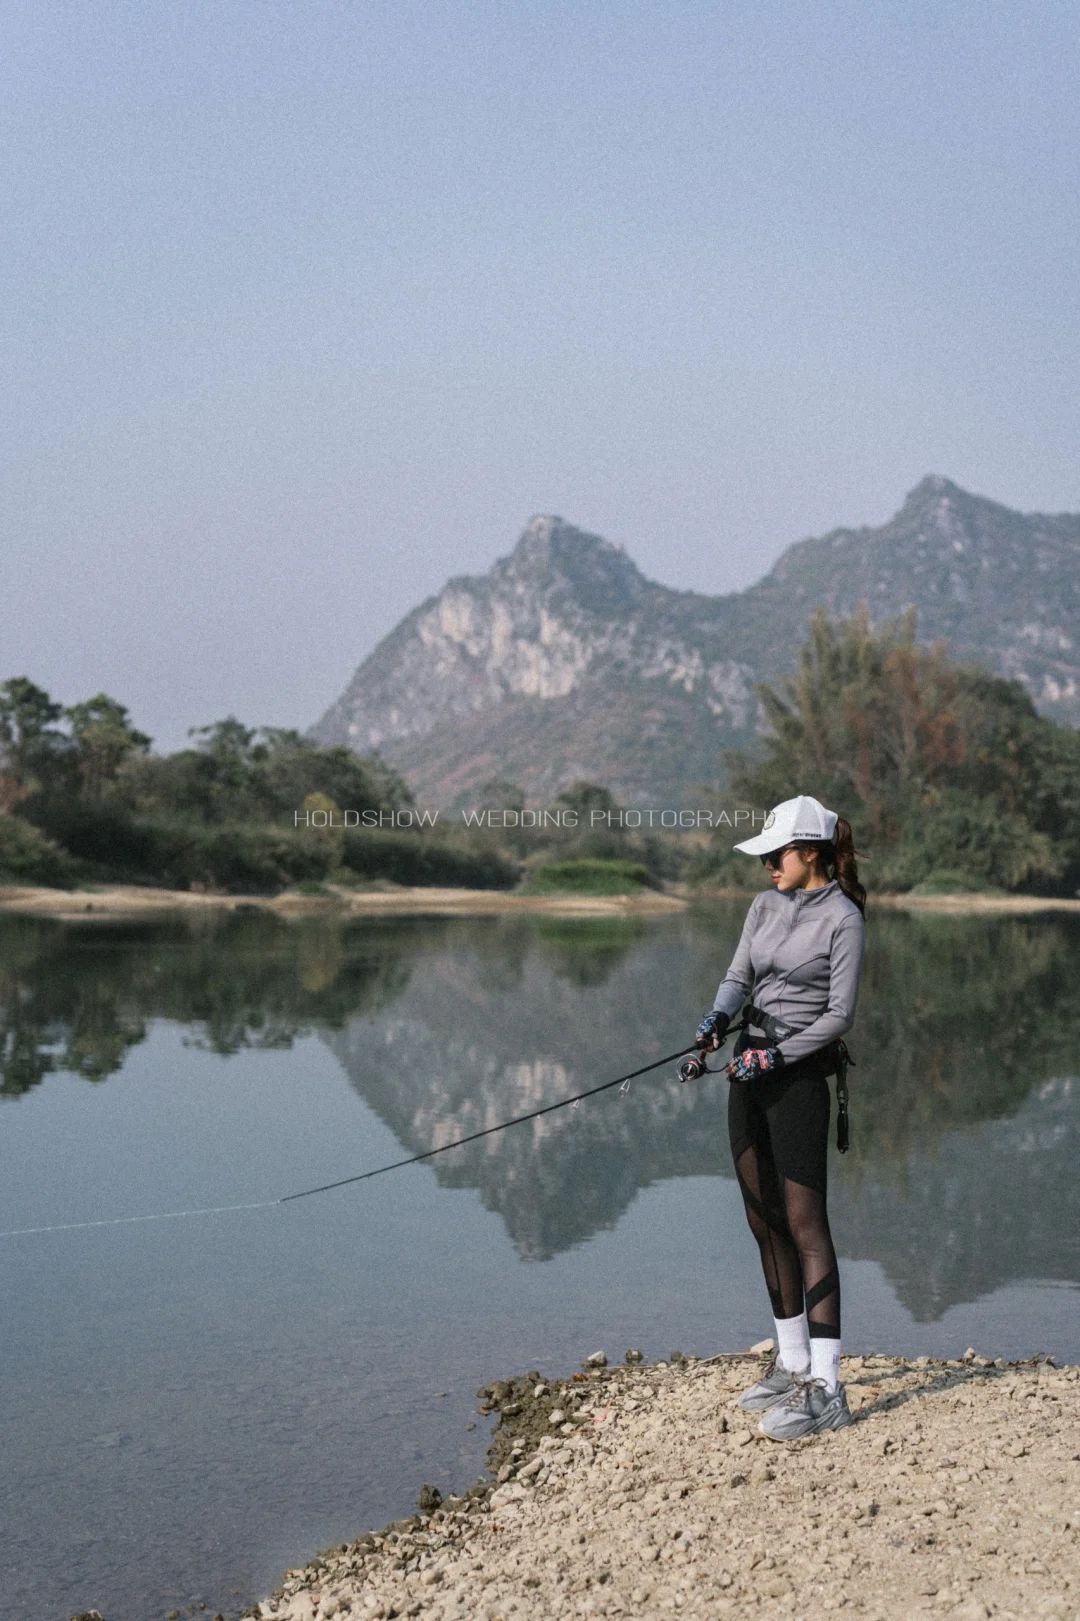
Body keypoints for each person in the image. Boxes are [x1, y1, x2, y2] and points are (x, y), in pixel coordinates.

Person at [695, 794, 866, 1440]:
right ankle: (792, 1362)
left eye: (779, 852)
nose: (769, 863)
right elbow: (738, 975)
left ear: (813, 852)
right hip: (748, 1070)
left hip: (795, 1078)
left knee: (804, 1224)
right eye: (765, 854)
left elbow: (839, 1015)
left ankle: (828, 1388)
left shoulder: (844, 919)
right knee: (762, 1218)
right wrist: (716, 1022)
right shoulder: (765, 905)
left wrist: (776, 1057)